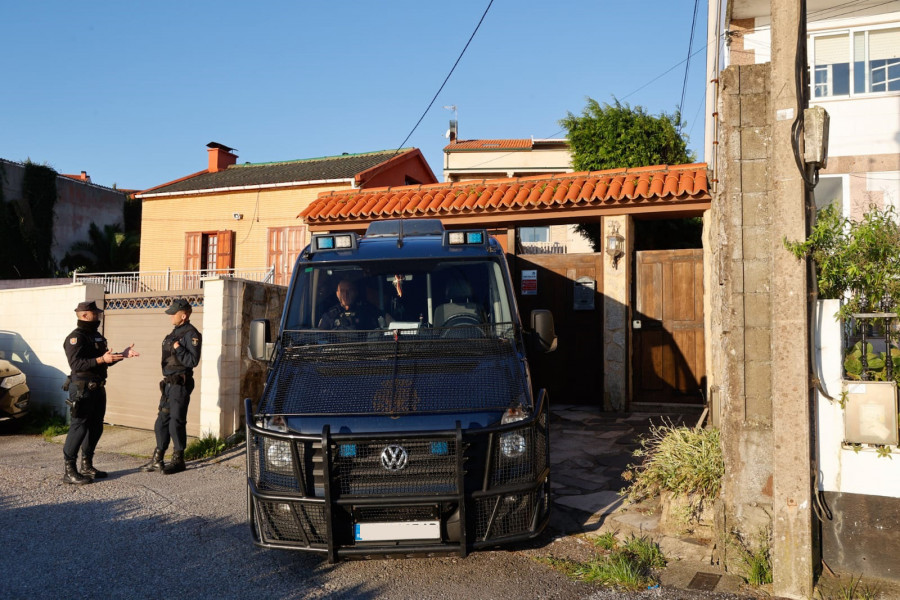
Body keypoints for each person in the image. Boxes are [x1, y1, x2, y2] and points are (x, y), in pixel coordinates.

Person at [62, 300, 139, 485]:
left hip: (97, 387)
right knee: (79, 426)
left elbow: (104, 359)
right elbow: (76, 364)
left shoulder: (96, 335)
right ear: (85, 315)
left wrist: (122, 355)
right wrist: (100, 359)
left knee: (96, 427)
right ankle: (69, 470)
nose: (98, 315)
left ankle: (86, 465)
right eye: (95, 313)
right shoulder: (76, 337)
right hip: (82, 388)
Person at [143, 298, 201, 475]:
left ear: (183, 316)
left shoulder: (191, 334)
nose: (170, 317)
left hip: (180, 384)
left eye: (173, 314)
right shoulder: (174, 333)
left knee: (176, 421)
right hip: (168, 384)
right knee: (162, 421)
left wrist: (178, 348)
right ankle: (158, 458)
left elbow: (193, 361)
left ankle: (178, 459)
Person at [317, 279, 383, 330]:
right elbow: (320, 337)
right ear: (337, 294)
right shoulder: (330, 315)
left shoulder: (367, 312)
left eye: (349, 290)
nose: (345, 295)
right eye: (342, 291)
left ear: (356, 292)